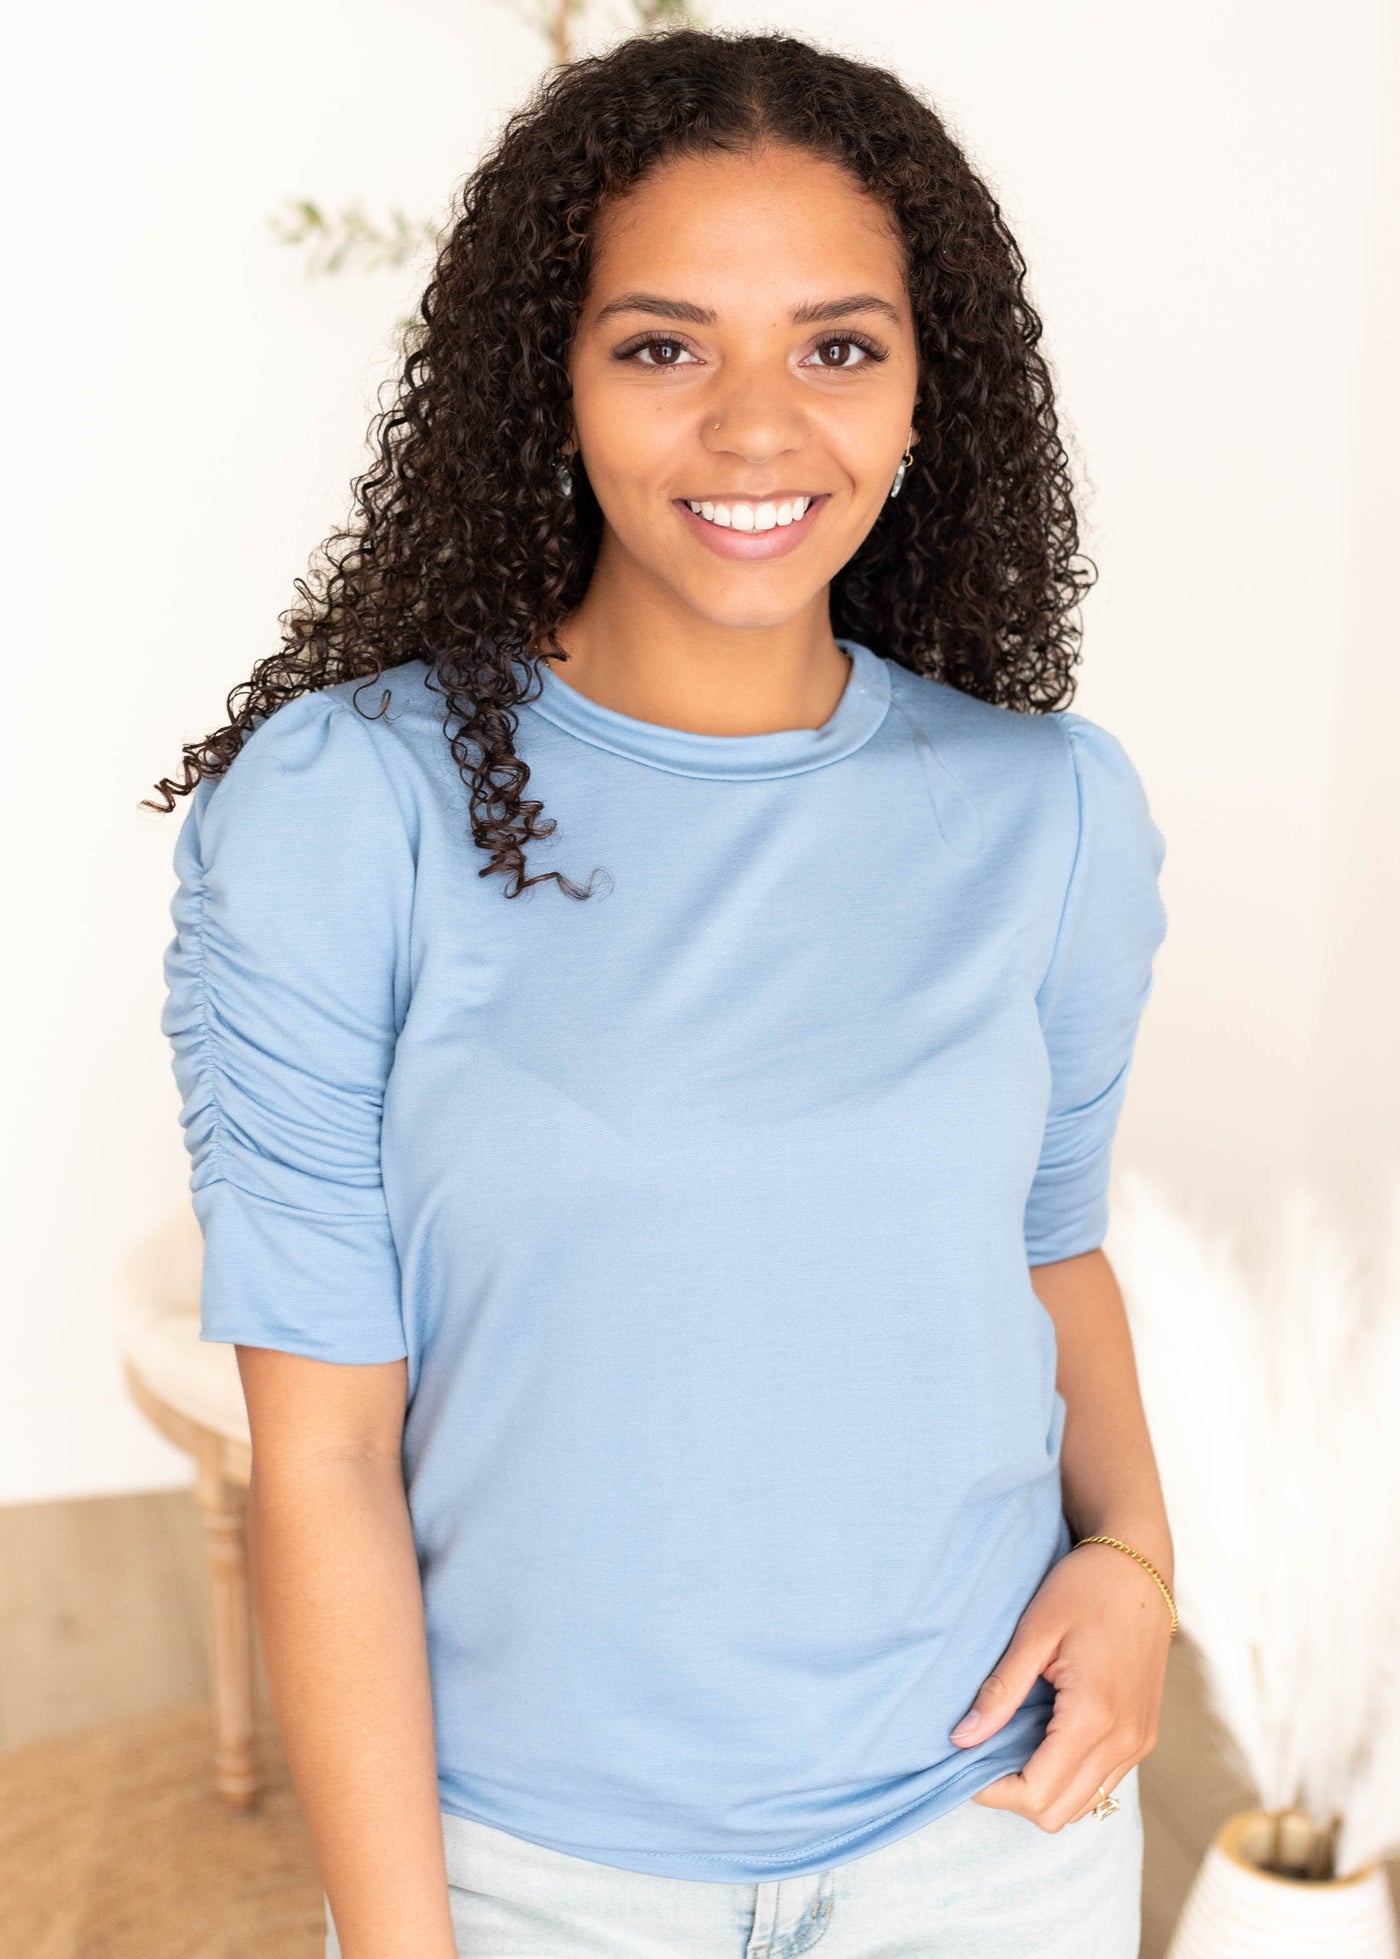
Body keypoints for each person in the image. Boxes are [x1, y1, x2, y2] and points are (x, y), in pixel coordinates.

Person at [152, 27, 1174, 1959]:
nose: (759, 429)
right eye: (663, 343)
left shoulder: (1049, 810)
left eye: (839, 346)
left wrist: (1137, 1558)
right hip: (534, 1876)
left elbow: (1054, 1257)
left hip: (988, 1833)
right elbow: (325, 1456)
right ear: (548, 377)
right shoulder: (341, 808)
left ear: (926, 391)